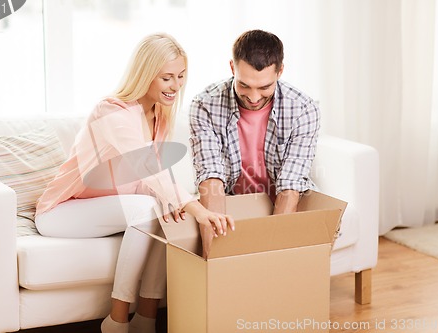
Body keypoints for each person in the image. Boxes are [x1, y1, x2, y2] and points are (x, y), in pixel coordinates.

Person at [35, 33, 234, 333]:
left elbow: (159, 176)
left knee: (166, 212)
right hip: (62, 211)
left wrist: (179, 204)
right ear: (145, 74)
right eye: (167, 78)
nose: (176, 86)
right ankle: (116, 320)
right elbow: (146, 167)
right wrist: (199, 210)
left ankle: (146, 318)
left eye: (180, 76)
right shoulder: (111, 112)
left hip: (109, 208)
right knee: (149, 208)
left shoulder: (160, 115)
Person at [189, 29, 320, 258]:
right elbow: (211, 178)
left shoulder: (303, 109)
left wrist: (272, 254)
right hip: (233, 202)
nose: (254, 97)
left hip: (280, 201)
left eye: (264, 87)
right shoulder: (204, 105)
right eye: (244, 85)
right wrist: (213, 258)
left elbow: (290, 186)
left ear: (280, 71)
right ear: (232, 67)